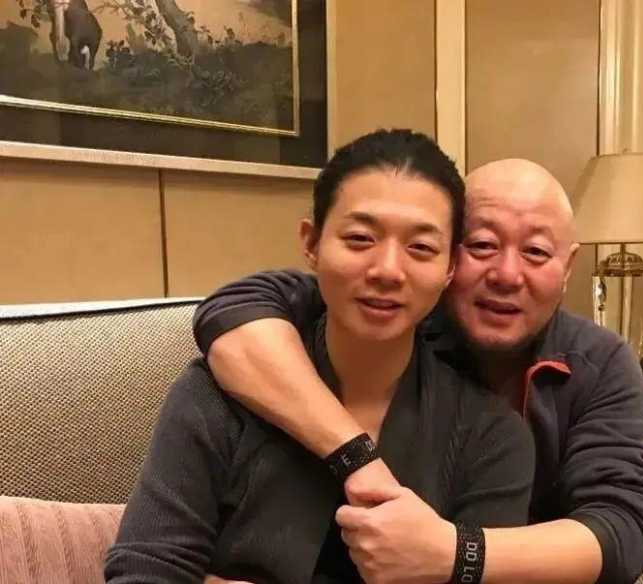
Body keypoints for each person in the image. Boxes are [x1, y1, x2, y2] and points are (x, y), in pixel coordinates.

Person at [193, 158, 643, 584]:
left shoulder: (598, 360)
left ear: (568, 266)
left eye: (537, 253)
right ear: (447, 257)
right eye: (482, 245)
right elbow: (234, 310)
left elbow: (623, 526)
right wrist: (359, 458)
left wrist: (453, 553)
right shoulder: (394, 315)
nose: (506, 274)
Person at [104, 130, 536, 583]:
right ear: (311, 243)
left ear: (449, 268)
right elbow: (144, 571)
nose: (388, 270)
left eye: (421, 248)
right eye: (360, 238)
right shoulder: (217, 396)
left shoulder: (491, 436)